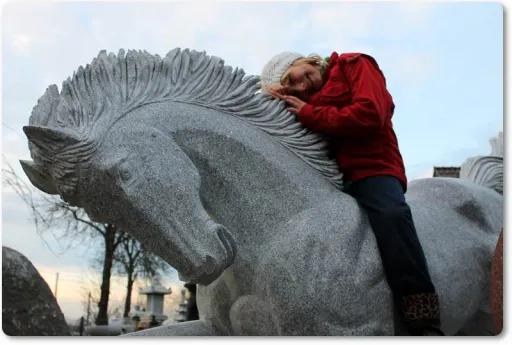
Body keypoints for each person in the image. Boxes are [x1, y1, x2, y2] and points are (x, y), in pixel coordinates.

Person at [260, 52, 443, 336]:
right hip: (333, 176)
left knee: (392, 215)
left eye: (292, 79)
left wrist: (309, 113)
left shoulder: (354, 65)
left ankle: (422, 315)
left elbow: (371, 113)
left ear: (302, 60)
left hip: (374, 169)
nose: (301, 88)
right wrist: (273, 99)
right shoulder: (304, 103)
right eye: (290, 88)